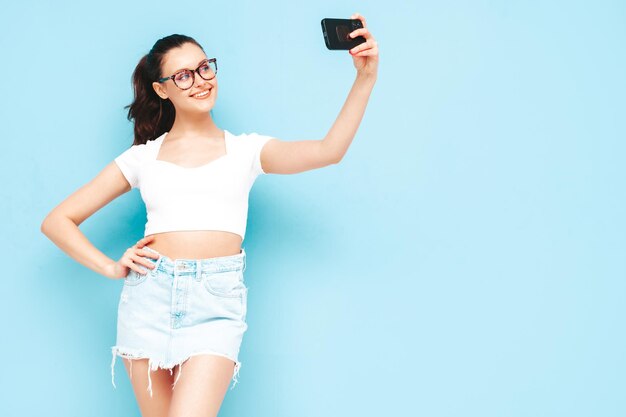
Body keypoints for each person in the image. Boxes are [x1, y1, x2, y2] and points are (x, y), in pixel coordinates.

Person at [40, 12, 378, 417]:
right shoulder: (142, 159)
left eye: (203, 68)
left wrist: (365, 77)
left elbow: (329, 151)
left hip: (215, 303)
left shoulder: (247, 150)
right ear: (161, 90)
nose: (200, 80)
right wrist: (113, 268)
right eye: (183, 75)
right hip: (148, 299)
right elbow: (57, 221)